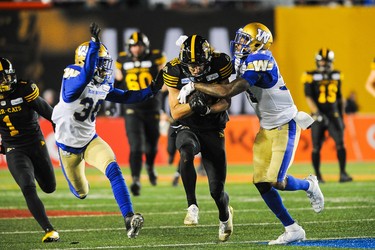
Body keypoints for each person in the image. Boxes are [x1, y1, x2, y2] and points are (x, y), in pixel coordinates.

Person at [178, 23, 325, 245]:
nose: (240, 43)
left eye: (245, 40)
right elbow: (215, 59)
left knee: (276, 180)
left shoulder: (261, 60)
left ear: (260, 43)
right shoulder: (244, 59)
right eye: (240, 39)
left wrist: (195, 85)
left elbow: (228, 91)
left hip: (284, 124)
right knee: (261, 182)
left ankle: (309, 185)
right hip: (266, 127)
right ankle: (292, 228)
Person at [52, 23, 162, 238]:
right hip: (68, 148)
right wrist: (94, 45)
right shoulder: (73, 74)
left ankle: (129, 218)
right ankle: (79, 184)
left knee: (114, 170)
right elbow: (83, 80)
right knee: (81, 192)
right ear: (87, 62)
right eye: (100, 63)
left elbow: (127, 97)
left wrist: (153, 89)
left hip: (90, 140)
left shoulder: (101, 82)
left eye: (105, 63)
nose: (105, 68)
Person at [162, 34, 234, 242]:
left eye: (199, 64)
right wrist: (194, 105)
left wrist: (208, 109)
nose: (195, 69)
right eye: (191, 65)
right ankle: (192, 205)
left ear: (208, 59)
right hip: (188, 125)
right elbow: (175, 112)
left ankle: (225, 216)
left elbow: (226, 100)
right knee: (185, 151)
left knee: (216, 190)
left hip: (213, 126)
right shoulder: (174, 70)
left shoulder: (219, 62)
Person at [0, 57, 59, 242]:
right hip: (14, 147)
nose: (7, 81)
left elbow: (49, 113)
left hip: (35, 143)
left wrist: (60, 132)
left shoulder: (24, 89)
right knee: (27, 186)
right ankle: (49, 230)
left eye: (7, 77)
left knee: (49, 187)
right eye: (2, 78)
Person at [114, 31, 166, 196]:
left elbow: (164, 82)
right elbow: (116, 81)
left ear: (145, 46)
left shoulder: (156, 57)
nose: (136, 49)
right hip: (132, 108)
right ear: (129, 47)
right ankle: (135, 179)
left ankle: (150, 167)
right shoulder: (122, 60)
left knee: (152, 147)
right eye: (134, 45)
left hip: (152, 107)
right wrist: (111, 102)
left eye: (139, 45)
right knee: (136, 146)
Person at [302, 48, 352, 183]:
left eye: (327, 61)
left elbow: (340, 96)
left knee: (340, 144)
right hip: (318, 115)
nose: (324, 64)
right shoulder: (309, 75)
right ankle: (318, 175)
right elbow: (308, 96)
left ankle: (343, 173)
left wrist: (342, 115)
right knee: (316, 146)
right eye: (323, 61)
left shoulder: (336, 74)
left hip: (334, 114)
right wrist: (316, 113)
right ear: (318, 62)